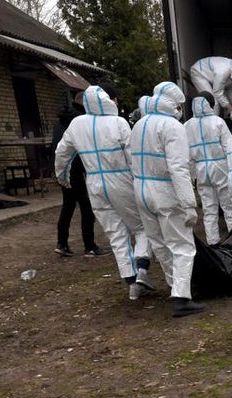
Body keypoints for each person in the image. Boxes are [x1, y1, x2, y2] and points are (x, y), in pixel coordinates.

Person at [54, 84, 154, 301]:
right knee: (142, 226)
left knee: (116, 233)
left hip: (94, 183)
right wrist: (141, 180)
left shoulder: (76, 124)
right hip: (121, 180)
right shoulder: (118, 122)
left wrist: (62, 177)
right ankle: (142, 268)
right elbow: (132, 155)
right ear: (109, 101)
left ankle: (131, 282)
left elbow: (62, 153)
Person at [129, 82, 205, 318]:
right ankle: (182, 297)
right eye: (180, 105)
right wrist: (189, 204)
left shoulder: (139, 124)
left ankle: (176, 287)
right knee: (182, 245)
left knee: (159, 243)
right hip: (165, 191)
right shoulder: (172, 126)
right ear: (174, 103)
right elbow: (178, 168)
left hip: (141, 189)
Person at [51, 95, 103, 257]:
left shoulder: (61, 120)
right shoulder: (80, 120)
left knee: (68, 205)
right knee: (87, 207)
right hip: (77, 169)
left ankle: (62, 243)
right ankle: (90, 246)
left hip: (63, 169)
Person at [185, 95, 232, 244]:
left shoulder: (186, 126)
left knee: (209, 209)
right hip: (220, 168)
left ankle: (213, 243)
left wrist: (192, 175)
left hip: (200, 170)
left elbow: (186, 154)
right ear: (211, 104)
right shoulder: (218, 122)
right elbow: (229, 147)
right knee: (229, 207)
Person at [188, 57, 232, 126]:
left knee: (222, 101)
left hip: (212, 76)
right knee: (214, 101)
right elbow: (217, 92)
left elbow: (231, 92)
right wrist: (231, 109)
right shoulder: (222, 71)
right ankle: (212, 126)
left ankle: (218, 123)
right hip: (199, 73)